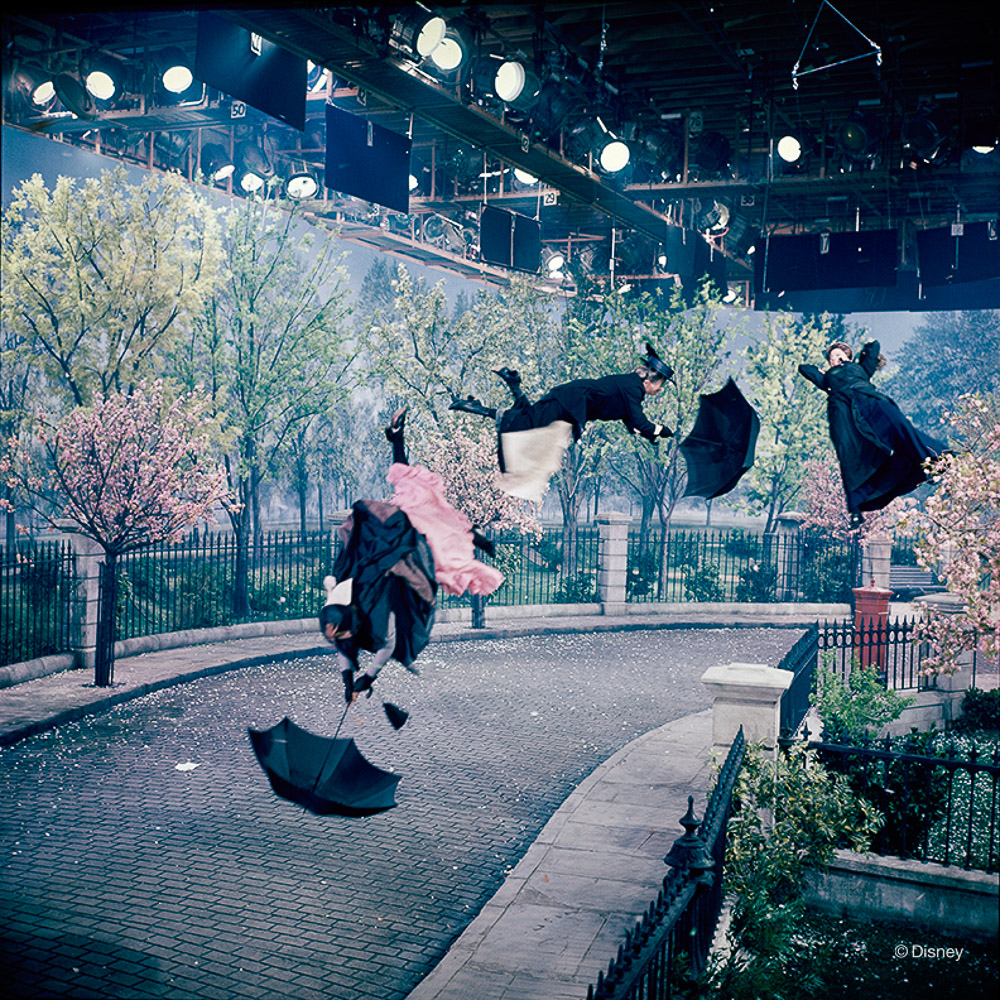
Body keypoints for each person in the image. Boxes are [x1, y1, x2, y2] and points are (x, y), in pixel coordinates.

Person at [321, 409, 503, 706]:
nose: (338, 639)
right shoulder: (341, 623)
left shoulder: (368, 606)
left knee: (419, 510)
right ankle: (397, 437)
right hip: (396, 557)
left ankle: (397, 438)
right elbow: (346, 649)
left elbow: (386, 645)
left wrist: (367, 676)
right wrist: (350, 682)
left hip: (394, 560)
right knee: (418, 510)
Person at [449, 343, 675, 501]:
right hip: (569, 405)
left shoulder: (630, 387)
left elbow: (631, 421)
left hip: (568, 402)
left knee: (528, 425)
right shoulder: (633, 389)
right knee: (530, 435)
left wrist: (649, 435)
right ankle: (501, 392)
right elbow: (639, 420)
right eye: (661, 385)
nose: (661, 390)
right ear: (650, 380)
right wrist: (661, 430)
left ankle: (505, 389)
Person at [798, 340, 946, 525]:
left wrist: (859, 353)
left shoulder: (861, 369)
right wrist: (823, 372)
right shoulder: (826, 378)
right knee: (847, 452)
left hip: (869, 400)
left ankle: (930, 462)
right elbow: (804, 368)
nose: (834, 359)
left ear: (848, 357)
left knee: (899, 424)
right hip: (842, 412)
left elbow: (875, 346)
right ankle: (856, 509)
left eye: (838, 355)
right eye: (831, 357)